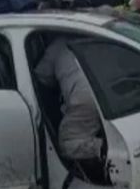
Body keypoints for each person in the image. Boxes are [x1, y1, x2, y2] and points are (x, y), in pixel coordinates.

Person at [34, 36, 104, 168]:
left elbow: (42, 77)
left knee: (68, 143)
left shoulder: (57, 46)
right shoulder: (93, 37)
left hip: (83, 98)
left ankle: (103, 148)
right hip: (107, 93)